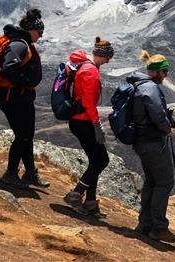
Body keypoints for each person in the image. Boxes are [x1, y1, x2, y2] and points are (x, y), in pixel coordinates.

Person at [129, 50, 175, 243]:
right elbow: (158, 115)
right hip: (152, 142)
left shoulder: (139, 85)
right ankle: (159, 227)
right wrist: (168, 128)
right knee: (165, 182)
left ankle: (145, 224)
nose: (166, 76)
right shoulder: (150, 88)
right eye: (164, 72)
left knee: (152, 181)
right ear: (158, 71)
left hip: (140, 142)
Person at [0, 8, 48, 189]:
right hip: (14, 97)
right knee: (22, 136)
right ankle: (10, 173)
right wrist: (25, 82)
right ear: (31, 29)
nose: (40, 36)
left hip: (22, 97)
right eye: (39, 32)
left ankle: (30, 173)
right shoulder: (20, 44)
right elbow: (9, 67)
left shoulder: (25, 43)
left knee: (27, 136)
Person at [63, 37, 115, 215]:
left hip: (80, 120)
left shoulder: (86, 67)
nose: (108, 61)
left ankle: (91, 202)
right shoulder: (90, 71)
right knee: (102, 160)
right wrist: (96, 124)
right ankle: (76, 194)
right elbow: (87, 101)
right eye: (107, 58)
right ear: (101, 55)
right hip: (83, 121)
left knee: (95, 160)